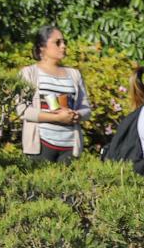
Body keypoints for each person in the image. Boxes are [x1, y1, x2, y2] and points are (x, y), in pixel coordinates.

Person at [17, 26, 92, 163]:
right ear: (42, 47)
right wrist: (56, 118)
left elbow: (86, 108)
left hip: (70, 147)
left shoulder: (74, 74)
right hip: (41, 145)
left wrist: (77, 115)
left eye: (64, 42)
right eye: (57, 42)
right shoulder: (29, 73)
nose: (63, 46)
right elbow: (22, 110)